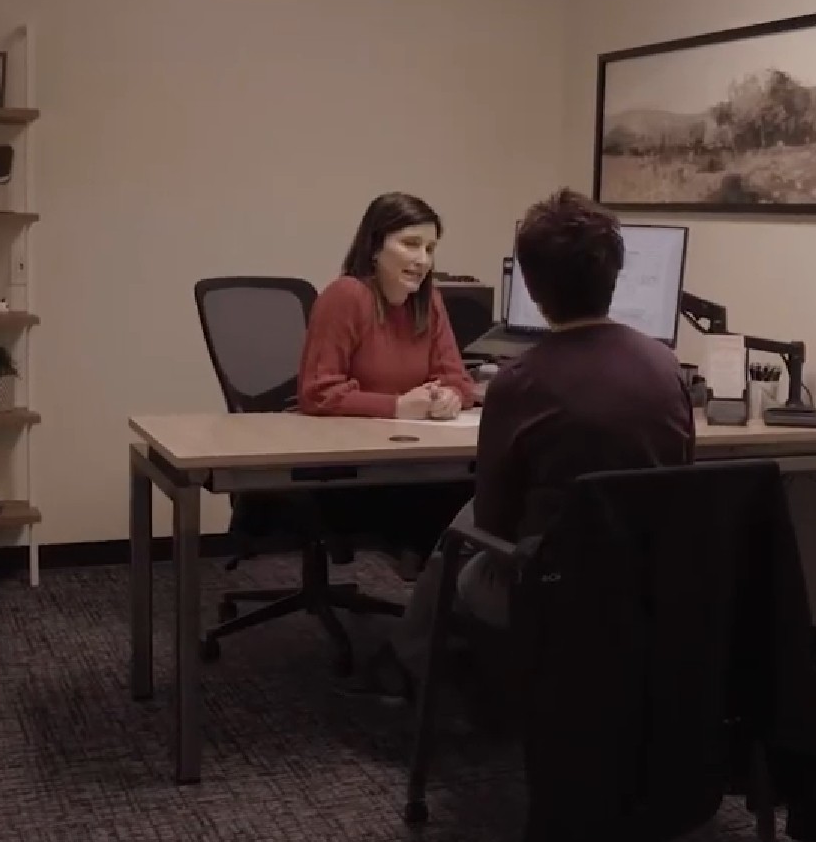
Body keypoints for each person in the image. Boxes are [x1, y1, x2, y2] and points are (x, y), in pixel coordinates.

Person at [375, 188, 696, 699]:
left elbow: (495, 522)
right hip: (649, 583)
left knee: (463, 532)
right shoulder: (667, 369)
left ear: (527, 282)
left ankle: (424, 672)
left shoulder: (520, 382)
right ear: (616, 273)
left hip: (548, 588)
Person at [298, 192, 478, 575]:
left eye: (430, 248)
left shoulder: (429, 302)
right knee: (455, 499)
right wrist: (397, 406)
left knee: (478, 487)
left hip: (411, 458)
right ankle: (434, 613)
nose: (422, 260)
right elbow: (317, 392)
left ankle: (445, 609)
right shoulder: (347, 295)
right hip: (350, 469)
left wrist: (450, 396)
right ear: (375, 246)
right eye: (410, 244)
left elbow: (458, 378)